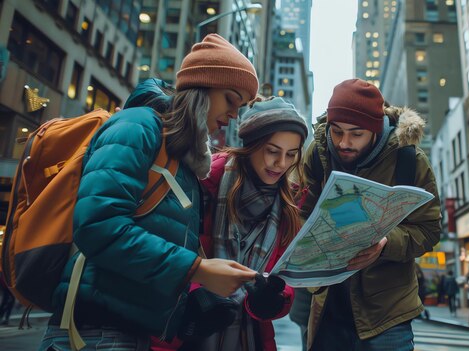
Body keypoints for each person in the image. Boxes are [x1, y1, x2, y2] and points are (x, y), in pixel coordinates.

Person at [38, 34, 260, 351]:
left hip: (130, 333)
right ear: (202, 87)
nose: (235, 114)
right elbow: (98, 227)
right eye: (230, 98)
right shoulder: (138, 126)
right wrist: (197, 270)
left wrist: (194, 296)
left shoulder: (181, 159)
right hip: (92, 332)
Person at [300, 78, 442, 351]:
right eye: (337, 131)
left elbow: (429, 230)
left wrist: (386, 243)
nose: (344, 142)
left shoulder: (409, 160)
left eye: (356, 133)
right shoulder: (317, 154)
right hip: (327, 303)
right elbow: (300, 213)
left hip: (387, 311)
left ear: (375, 130)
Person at [188, 97, 308, 351]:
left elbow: (284, 276)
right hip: (192, 328)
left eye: (291, 154)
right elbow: (176, 253)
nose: (281, 164)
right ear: (251, 144)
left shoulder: (290, 203)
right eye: (273, 151)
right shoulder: (206, 179)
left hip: (250, 336)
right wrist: (197, 292)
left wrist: (273, 299)